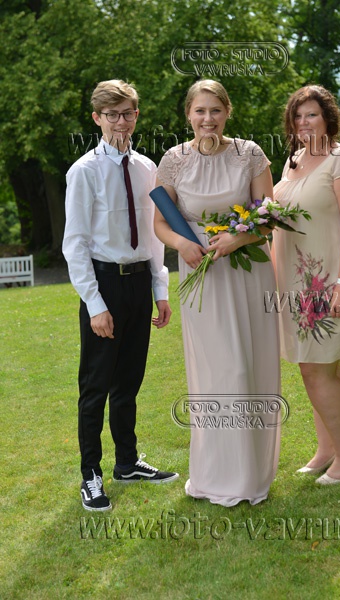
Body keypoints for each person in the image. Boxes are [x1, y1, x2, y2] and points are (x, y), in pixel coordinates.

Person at [154, 79, 280, 506]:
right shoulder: (173, 160)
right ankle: (212, 474)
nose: (208, 119)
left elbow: (269, 216)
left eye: (215, 110)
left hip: (248, 273)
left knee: (248, 368)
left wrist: (237, 239)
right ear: (188, 115)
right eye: (200, 111)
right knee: (216, 372)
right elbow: (160, 222)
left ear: (227, 112)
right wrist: (181, 244)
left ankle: (250, 476)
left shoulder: (250, 154)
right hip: (200, 274)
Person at [63, 79, 178, 512]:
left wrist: (160, 289)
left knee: (129, 382)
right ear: (97, 118)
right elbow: (75, 244)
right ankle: (90, 474)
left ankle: (127, 463)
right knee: (95, 386)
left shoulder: (148, 167)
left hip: (138, 284)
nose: (121, 122)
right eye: (112, 115)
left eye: (128, 113)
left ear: (136, 115)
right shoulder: (84, 171)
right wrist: (95, 305)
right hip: (104, 284)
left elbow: (154, 233)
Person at [272, 84, 340, 485]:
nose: (303, 122)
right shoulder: (293, 161)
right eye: (297, 116)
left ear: (328, 118)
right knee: (316, 367)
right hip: (295, 282)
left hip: (327, 279)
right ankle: (327, 450)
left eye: (311, 114)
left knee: (317, 369)